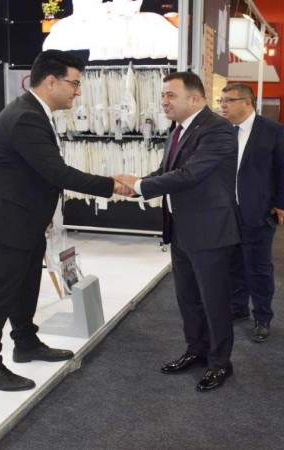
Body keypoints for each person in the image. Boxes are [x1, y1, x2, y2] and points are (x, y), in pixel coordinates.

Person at [0, 50, 130, 392]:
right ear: (51, 81)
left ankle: (26, 344)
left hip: (21, 219)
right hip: (1, 222)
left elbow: (38, 174)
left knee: (25, 286)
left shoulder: (33, 111)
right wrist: (111, 184)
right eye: (74, 84)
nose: (78, 92)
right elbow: (56, 172)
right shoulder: (26, 116)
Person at [115, 72, 240, 392]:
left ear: (195, 99)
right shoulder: (179, 130)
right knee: (188, 297)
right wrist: (137, 185)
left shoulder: (218, 129)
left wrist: (139, 186)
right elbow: (167, 172)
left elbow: (189, 175)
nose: (164, 102)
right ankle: (196, 350)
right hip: (181, 228)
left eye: (170, 95)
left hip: (210, 232)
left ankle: (219, 362)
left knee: (213, 300)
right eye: (163, 95)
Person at [218, 83, 284, 343]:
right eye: (221, 100)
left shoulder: (273, 129)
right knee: (233, 263)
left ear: (246, 102)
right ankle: (237, 307)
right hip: (227, 211)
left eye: (228, 100)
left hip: (257, 210)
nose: (223, 105)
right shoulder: (222, 130)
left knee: (258, 267)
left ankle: (262, 317)